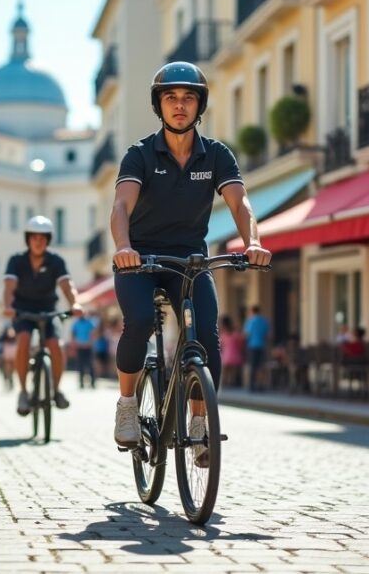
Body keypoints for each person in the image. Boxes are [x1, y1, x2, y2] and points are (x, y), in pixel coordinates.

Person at [110, 61, 272, 451]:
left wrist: (252, 241)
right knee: (140, 321)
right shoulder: (140, 155)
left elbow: (240, 204)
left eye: (188, 98)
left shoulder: (216, 155)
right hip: (141, 259)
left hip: (190, 260)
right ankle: (128, 404)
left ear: (200, 106)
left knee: (207, 338)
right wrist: (123, 248)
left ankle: (200, 424)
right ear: (159, 106)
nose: (179, 105)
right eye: (171, 98)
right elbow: (120, 206)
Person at [3, 216, 83, 416]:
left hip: (49, 310)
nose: (38, 241)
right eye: (34, 237)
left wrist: (74, 303)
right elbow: (9, 287)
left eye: (43, 238)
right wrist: (8, 306)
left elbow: (67, 285)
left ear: (48, 240)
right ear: (28, 239)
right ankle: (22, 391)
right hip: (22, 310)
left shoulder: (56, 260)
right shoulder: (16, 260)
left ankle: (56, 390)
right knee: (23, 339)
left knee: (56, 345)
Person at [243, 306, 270, 392]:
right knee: (261, 366)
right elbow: (268, 335)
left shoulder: (250, 321)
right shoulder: (264, 321)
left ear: (252, 311)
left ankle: (252, 386)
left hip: (252, 346)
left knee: (253, 367)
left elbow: (246, 334)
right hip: (262, 346)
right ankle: (261, 385)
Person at [71, 312, 98, 389]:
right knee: (80, 365)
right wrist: (74, 343)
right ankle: (81, 383)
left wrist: (91, 342)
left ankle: (93, 383)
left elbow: (93, 333)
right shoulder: (76, 323)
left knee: (90, 365)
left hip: (88, 346)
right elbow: (73, 333)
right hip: (80, 346)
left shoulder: (89, 322)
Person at [219, 315, 244, 389]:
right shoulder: (236, 335)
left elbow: (220, 346)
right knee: (233, 372)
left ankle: (225, 383)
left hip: (226, 356)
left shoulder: (223, 335)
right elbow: (240, 345)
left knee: (226, 371)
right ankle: (232, 383)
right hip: (236, 356)